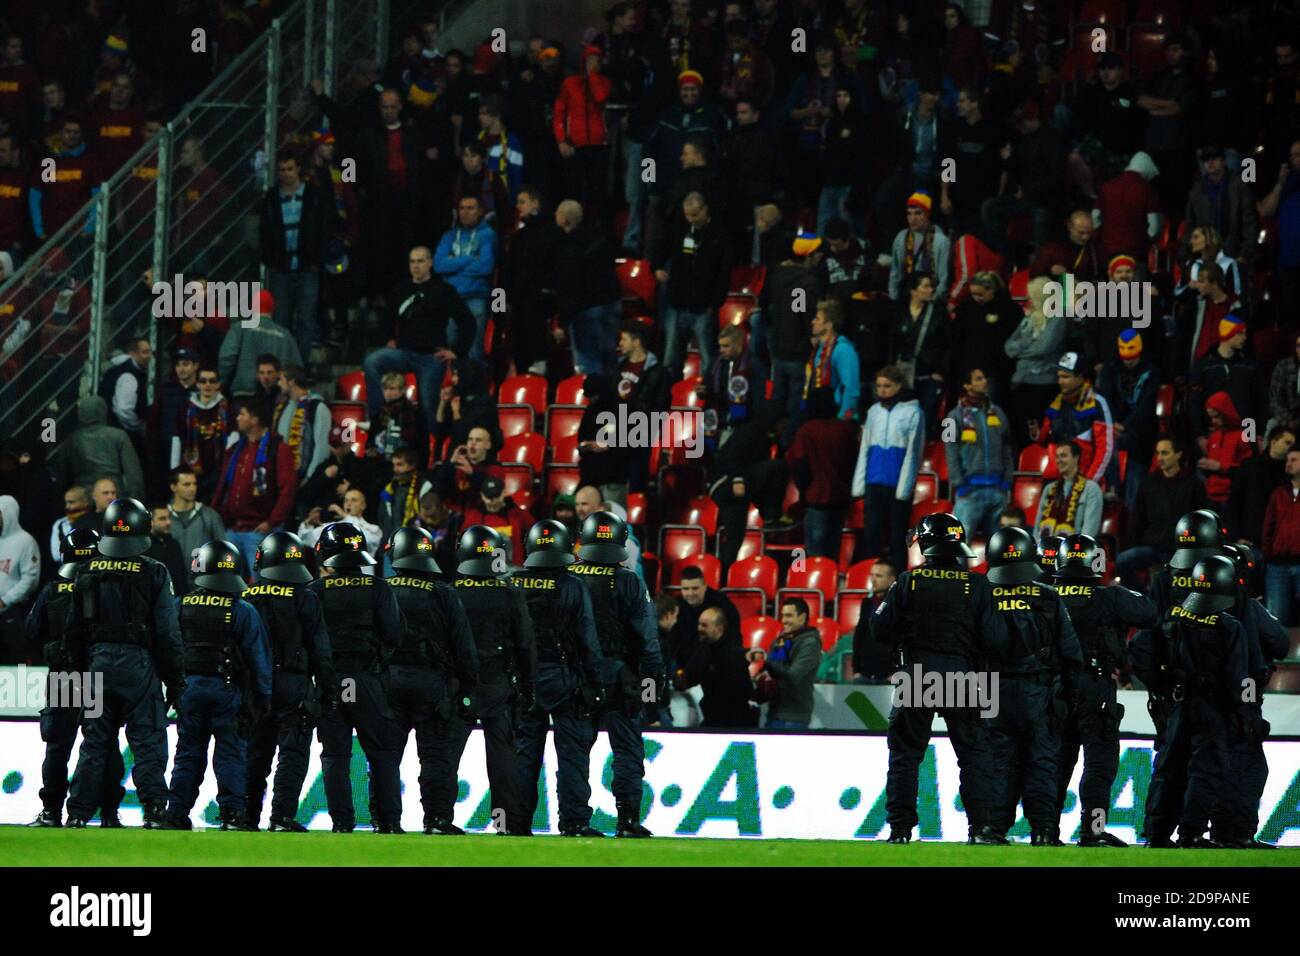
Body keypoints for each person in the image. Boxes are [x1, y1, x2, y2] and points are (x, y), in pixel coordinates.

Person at [864, 512, 1009, 844]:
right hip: (967, 677)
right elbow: (997, 639)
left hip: (917, 674)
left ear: (925, 544)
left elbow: (879, 629)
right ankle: (982, 829)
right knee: (976, 755)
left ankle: (900, 830)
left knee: (906, 755)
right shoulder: (978, 584)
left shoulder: (908, 582)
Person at [62, 498, 185, 828]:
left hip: (96, 663)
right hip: (138, 665)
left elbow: (72, 631)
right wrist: (176, 682)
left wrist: (77, 677)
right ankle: (155, 810)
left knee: (94, 742)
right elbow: (168, 634)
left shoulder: (87, 571)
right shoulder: (154, 571)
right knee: (148, 741)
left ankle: (77, 813)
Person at [1129, 556, 1250, 848]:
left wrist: (1161, 686)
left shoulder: (1175, 620)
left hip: (1178, 704)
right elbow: (1238, 680)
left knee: (1168, 768)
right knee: (1205, 770)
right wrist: (1242, 715)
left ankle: (1156, 833)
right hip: (1213, 708)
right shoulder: (1230, 627)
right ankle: (1191, 832)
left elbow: (1139, 651)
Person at [1052, 534, 1158, 846]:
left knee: (1055, 761)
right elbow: (1149, 614)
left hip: (1055, 689)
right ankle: (1092, 831)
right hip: (1095, 686)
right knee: (1099, 762)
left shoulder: (1047, 597)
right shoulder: (1109, 597)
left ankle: (1046, 829)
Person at [160, 540, 272, 830]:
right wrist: (263, 698)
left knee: (188, 751)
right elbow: (258, 658)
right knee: (231, 753)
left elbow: (168, 648)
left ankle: (176, 812)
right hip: (228, 689)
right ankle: (232, 814)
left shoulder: (180, 604)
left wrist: (171, 688)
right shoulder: (243, 610)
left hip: (189, 689)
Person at [983, 525, 1083, 845]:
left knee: (999, 763)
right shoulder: (1048, 596)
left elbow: (968, 648)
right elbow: (1070, 652)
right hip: (1038, 692)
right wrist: (1069, 695)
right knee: (1041, 762)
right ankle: (1043, 831)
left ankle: (993, 829)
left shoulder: (982, 596)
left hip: (994, 692)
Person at [569, 510, 663, 837]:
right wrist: (653, 687)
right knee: (626, 750)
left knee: (575, 752)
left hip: (577, 678)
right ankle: (628, 822)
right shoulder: (629, 581)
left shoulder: (567, 577)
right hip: (620, 677)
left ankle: (574, 821)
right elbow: (648, 639)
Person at [437, 525, 536, 835]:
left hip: (458, 685)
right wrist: (529, 687)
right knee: (503, 757)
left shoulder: (450, 592)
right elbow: (525, 644)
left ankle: (439, 819)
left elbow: (440, 642)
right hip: (499, 684)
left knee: (447, 754)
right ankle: (505, 823)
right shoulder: (509, 592)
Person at [307, 521, 405, 832]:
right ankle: (388, 822)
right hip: (367, 678)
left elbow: (306, 639)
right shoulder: (378, 588)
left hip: (330, 680)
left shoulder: (315, 591)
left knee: (335, 754)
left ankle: (342, 823)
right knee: (381, 752)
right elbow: (395, 633)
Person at [25, 528, 125, 827]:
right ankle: (108, 813)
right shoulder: (110, 587)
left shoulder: (54, 590)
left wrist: (53, 649)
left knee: (58, 746)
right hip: (96, 676)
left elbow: (31, 632)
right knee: (103, 744)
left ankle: (52, 812)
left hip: (66, 677)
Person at [384, 526, 480, 835]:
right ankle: (437, 820)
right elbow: (463, 645)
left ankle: (385, 820)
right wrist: (468, 686)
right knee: (436, 755)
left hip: (389, 682)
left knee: (386, 755)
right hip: (432, 683)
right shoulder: (444, 593)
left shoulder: (383, 589)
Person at [512, 520, 606, 836]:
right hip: (566, 680)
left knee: (524, 754)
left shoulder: (514, 584)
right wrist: (595, 684)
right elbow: (588, 641)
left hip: (523, 681)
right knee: (572, 754)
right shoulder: (573, 586)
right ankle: (575, 822)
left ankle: (516, 823)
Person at [243, 530, 335, 832]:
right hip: (293, 681)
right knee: (292, 752)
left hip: (255, 683)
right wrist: (326, 689)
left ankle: (245, 816)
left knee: (255, 752)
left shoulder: (246, 596)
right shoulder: (305, 598)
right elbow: (321, 649)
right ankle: (281, 816)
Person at [1213, 544, 1288, 850]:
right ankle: (1237, 833)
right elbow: (1280, 643)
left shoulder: (1190, 607)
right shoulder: (1250, 609)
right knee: (1249, 765)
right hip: (1242, 703)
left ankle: (1194, 832)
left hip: (1200, 701)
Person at [363, 245, 474, 433]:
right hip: (403, 352)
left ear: (430, 263)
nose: (416, 266)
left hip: (431, 357)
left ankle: (432, 451)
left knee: (429, 407)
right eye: (413, 262)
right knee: (372, 361)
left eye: (421, 261)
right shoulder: (401, 288)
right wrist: (389, 338)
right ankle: (377, 420)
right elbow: (387, 317)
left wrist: (457, 351)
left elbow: (468, 322)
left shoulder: (444, 290)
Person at [211, 398, 298, 578]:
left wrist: (271, 522)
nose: (237, 418)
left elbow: (287, 491)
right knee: (227, 585)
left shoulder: (279, 449)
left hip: (259, 532)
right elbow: (223, 486)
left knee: (262, 588)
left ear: (255, 419)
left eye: (242, 414)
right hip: (232, 530)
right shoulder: (236, 449)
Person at [1115, 437, 1210, 590]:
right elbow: (1138, 517)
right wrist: (1135, 543)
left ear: (1178, 454)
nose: (1160, 458)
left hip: (1182, 550)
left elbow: (1202, 519)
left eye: (1165, 453)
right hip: (1152, 547)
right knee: (1122, 562)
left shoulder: (1193, 484)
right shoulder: (1149, 483)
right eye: (1158, 453)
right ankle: (1141, 601)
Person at [259, 149, 329, 356]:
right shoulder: (271, 198)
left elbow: (324, 226)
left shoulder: (313, 195)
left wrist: (318, 256)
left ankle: (301, 365)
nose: (286, 173)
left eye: (290, 168)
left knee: (306, 319)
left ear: (298, 168)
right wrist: (269, 258)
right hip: (281, 265)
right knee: (281, 319)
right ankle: (284, 363)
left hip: (307, 265)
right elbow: (265, 231)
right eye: (282, 169)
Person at [654, 191, 731, 375]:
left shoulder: (719, 235)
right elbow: (660, 248)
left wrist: (714, 304)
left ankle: (707, 395)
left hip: (704, 308)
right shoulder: (680, 230)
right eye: (688, 214)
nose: (691, 219)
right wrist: (656, 267)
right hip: (677, 304)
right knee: (671, 357)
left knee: (707, 358)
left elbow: (723, 273)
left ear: (705, 210)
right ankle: (667, 394)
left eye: (695, 214)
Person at [852, 366, 923, 564]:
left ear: (899, 386)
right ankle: (871, 578)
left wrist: (904, 489)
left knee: (896, 537)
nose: (882, 390)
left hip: (896, 484)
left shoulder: (912, 412)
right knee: (871, 535)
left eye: (887, 386)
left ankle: (898, 580)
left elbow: (913, 453)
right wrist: (859, 484)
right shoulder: (874, 411)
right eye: (879, 386)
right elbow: (865, 447)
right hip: (873, 482)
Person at [553, 199, 622, 379]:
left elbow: (570, 286)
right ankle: (615, 401)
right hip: (611, 303)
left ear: (565, 219)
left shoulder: (570, 248)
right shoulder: (600, 238)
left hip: (587, 310)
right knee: (610, 357)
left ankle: (596, 403)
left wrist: (563, 321)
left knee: (590, 363)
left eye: (558, 213)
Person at [788, 387, 857, 560]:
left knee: (814, 551)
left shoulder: (806, 431)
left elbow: (799, 465)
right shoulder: (845, 429)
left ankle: (817, 582)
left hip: (816, 498)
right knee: (833, 548)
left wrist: (804, 490)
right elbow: (853, 461)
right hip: (841, 497)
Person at [1003, 277, 1066, 445]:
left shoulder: (1057, 319)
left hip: (1043, 384)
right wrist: (1028, 344)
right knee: (1018, 431)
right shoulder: (1028, 319)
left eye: (1032, 296)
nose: (1028, 300)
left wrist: (1021, 351)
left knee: (1040, 431)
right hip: (1020, 381)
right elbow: (1009, 347)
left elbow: (1043, 348)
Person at [435, 195, 497, 362]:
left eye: (470, 208)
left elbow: (485, 267)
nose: (465, 212)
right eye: (462, 208)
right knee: (449, 347)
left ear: (480, 212)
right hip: (451, 300)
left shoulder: (488, 235)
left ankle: (475, 386)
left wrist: (453, 263)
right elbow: (438, 265)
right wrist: (469, 259)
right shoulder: (448, 236)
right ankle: (453, 385)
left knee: (474, 348)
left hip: (475, 298)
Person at [52, 396, 145, 501]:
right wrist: (136, 501)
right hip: (113, 493)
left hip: (83, 496)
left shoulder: (71, 439)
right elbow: (133, 474)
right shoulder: (119, 435)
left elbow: (62, 475)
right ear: (103, 411)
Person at [748, 597, 821, 729]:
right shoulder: (782, 639)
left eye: (789, 616)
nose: (784, 621)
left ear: (802, 617)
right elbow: (771, 668)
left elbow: (793, 676)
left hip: (794, 717)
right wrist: (761, 675)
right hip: (774, 713)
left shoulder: (810, 643)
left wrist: (769, 663)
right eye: (782, 616)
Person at [677, 606, 755, 728]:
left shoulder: (733, 652)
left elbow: (744, 690)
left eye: (704, 625)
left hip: (736, 721)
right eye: (699, 624)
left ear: (719, 629)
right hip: (711, 718)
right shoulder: (702, 649)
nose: (699, 629)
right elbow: (689, 679)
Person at [1040, 352, 1113, 484]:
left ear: (1080, 378)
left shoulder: (1097, 403)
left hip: (1083, 480)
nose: (1060, 381)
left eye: (1066, 377)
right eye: (1059, 377)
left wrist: (1089, 483)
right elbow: (1042, 439)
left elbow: (1105, 449)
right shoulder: (1055, 403)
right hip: (1054, 480)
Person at [218, 291, 304, 398]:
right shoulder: (285, 335)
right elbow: (296, 368)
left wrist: (220, 384)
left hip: (244, 393)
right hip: (276, 397)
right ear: (272, 310)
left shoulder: (240, 328)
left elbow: (226, 358)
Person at [169, 366, 234, 498]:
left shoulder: (227, 410)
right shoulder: (186, 409)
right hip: (191, 472)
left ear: (218, 385)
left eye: (212, 381)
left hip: (219, 473)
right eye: (203, 381)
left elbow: (233, 443)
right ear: (197, 384)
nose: (207, 385)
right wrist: (174, 472)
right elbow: (177, 440)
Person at [1230, 426, 1294, 553]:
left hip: (1277, 545)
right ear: (1273, 442)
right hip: (1251, 540)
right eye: (1287, 442)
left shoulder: (1290, 474)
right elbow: (1235, 502)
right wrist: (1236, 536)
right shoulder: (1250, 466)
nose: (1290, 448)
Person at [1034, 442, 1103, 542]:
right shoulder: (1049, 489)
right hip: (1046, 552)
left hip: (1075, 551)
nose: (1058, 461)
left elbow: (1089, 530)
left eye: (1063, 456)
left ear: (1076, 458)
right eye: (1057, 457)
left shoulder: (1091, 489)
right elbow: (1037, 529)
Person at [0, 493, 40, 663]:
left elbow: (30, 578)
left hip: (14, 612)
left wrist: (5, 600)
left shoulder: (25, 541)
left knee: (19, 661)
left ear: (7, 513)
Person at [1262, 447, 1300, 624]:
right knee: (1276, 623)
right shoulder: (1278, 494)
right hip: (1278, 567)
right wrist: (1269, 555)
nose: (1288, 464)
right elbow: (1268, 528)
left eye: (1294, 460)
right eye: (1288, 460)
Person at [887, 192, 949, 302]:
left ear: (927, 215)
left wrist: (931, 301)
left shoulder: (940, 241)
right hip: (906, 296)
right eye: (909, 214)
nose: (912, 219)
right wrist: (894, 298)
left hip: (931, 298)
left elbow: (944, 279)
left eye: (918, 213)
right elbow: (895, 273)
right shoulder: (901, 238)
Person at [274, 365, 331, 482]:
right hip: (282, 478)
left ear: (291, 382)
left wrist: (309, 478)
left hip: (305, 478)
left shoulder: (317, 408)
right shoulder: (282, 407)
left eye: (281, 379)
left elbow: (321, 448)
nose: (278, 383)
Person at [97, 336, 151, 441]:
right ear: (133, 354)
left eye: (150, 352)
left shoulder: (119, 369)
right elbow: (123, 410)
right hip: (121, 433)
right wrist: (139, 427)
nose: (149, 356)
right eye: (144, 352)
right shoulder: (129, 376)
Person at [145, 505, 189, 597]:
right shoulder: (144, 547)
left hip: (177, 602)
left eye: (168, 518)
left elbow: (182, 575)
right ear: (150, 522)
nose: (168, 522)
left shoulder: (174, 544)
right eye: (162, 519)